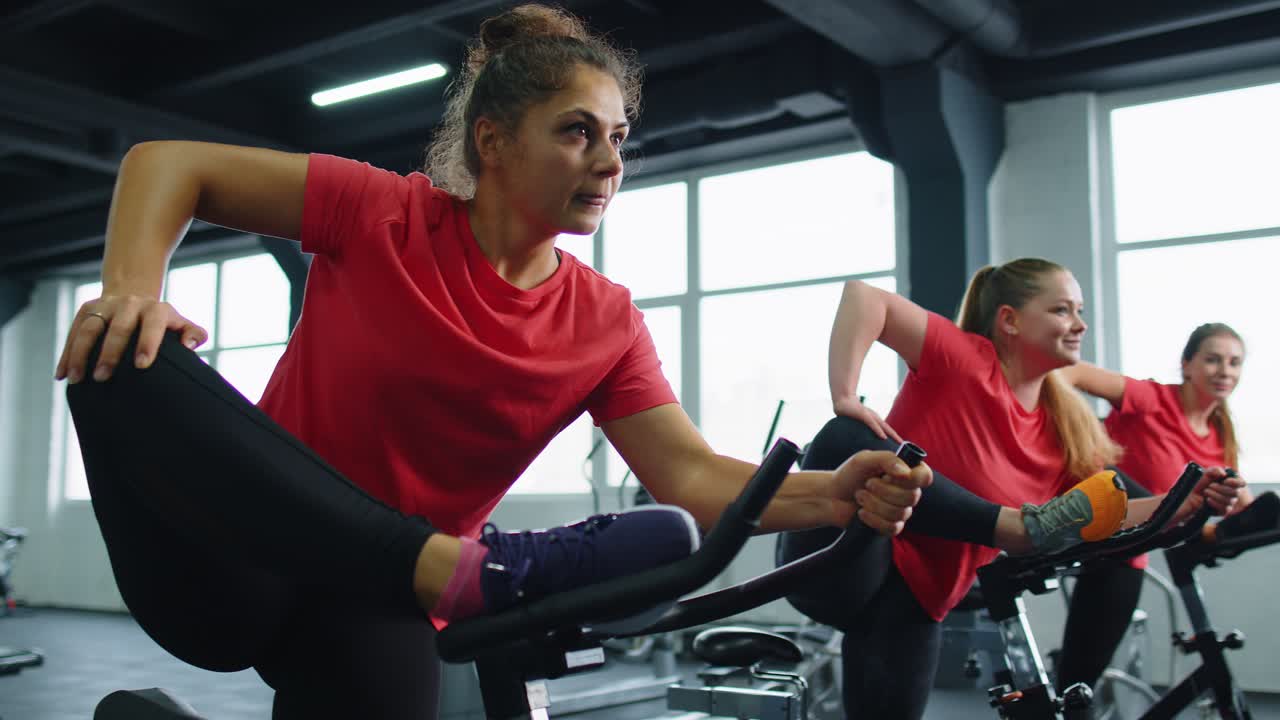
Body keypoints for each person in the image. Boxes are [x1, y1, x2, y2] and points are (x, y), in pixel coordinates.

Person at [52, 6, 931, 719]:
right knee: (121, 350)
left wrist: (833, 493)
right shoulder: (382, 214)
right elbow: (169, 162)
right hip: (234, 561)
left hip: (373, 598)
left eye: (620, 137)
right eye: (578, 132)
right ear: (492, 141)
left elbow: (691, 476)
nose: (610, 161)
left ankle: (447, 568)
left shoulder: (606, 321)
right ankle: (460, 564)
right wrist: (133, 287)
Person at [776, 258, 1245, 720]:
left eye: (1079, 311)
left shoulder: (1061, 430)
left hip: (917, 596)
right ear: (1010, 321)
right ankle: (1008, 527)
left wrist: (1187, 500)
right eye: (1062, 310)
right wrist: (845, 393)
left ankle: (1014, 529)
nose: (1079, 324)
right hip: (841, 557)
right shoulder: (965, 359)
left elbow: (1113, 508)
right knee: (847, 435)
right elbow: (864, 297)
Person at [1055, 322, 1253, 697]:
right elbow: (1068, 371)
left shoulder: (1219, 435)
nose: (1224, 371)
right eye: (1212, 360)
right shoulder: (1152, 398)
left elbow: (1247, 511)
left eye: (1233, 363)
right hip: (1093, 520)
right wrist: (1077, 430)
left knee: (1079, 682)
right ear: (1187, 364)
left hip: (1133, 548)